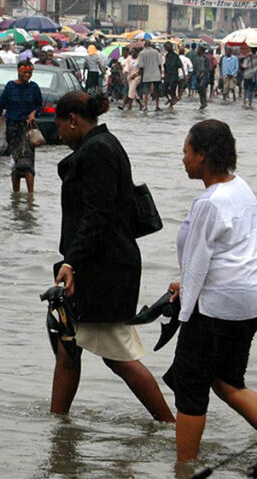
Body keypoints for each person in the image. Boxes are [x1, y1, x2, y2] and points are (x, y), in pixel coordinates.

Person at [50, 91, 175, 423]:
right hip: (100, 262)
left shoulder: (97, 152)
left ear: (73, 120)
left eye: (61, 125)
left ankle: (170, 427)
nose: (59, 133)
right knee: (68, 345)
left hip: (102, 269)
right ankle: (57, 427)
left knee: (118, 355)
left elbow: (97, 215)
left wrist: (71, 262)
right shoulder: (103, 144)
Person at [164, 119, 257, 463]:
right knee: (228, 382)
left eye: (186, 151)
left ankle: (184, 469)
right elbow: (233, 250)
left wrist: (185, 312)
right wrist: (184, 282)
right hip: (246, 301)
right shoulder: (241, 188)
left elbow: (201, 260)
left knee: (190, 389)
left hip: (214, 308)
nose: (182, 158)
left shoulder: (209, 202)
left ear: (202, 156)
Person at [0, 60, 42, 194]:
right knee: (16, 163)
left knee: (27, 162)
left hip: (27, 129)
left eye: (30, 73)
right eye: (25, 72)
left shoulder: (34, 88)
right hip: (12, 129)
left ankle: (30, 196)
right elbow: (0, 106)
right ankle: (15, 194)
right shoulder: (10, 87)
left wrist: (34, 113)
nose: (27, 75)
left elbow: (39, 106)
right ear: (18, 71)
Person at [138, 40, 162, 111]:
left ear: (144, 45)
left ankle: (146, 107)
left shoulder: (142, 53)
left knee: (146, 92)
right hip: (156, 74)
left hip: (147, 75)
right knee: (157, 91)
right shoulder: (156, 52)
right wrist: (160, 73)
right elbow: (159, 64)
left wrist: (140, 76)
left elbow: (141, 66)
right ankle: (157, 106)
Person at [163, 42, 183, 108]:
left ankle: (171, 104)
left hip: (174, 76)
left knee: (172, 90)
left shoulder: (175, 56)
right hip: (167, 75)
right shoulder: (167, 55)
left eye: (166, 47)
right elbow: (165, 65)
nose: (165, 49)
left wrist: (184, 76)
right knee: (164, 88)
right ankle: (171, 99)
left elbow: (180, 65)